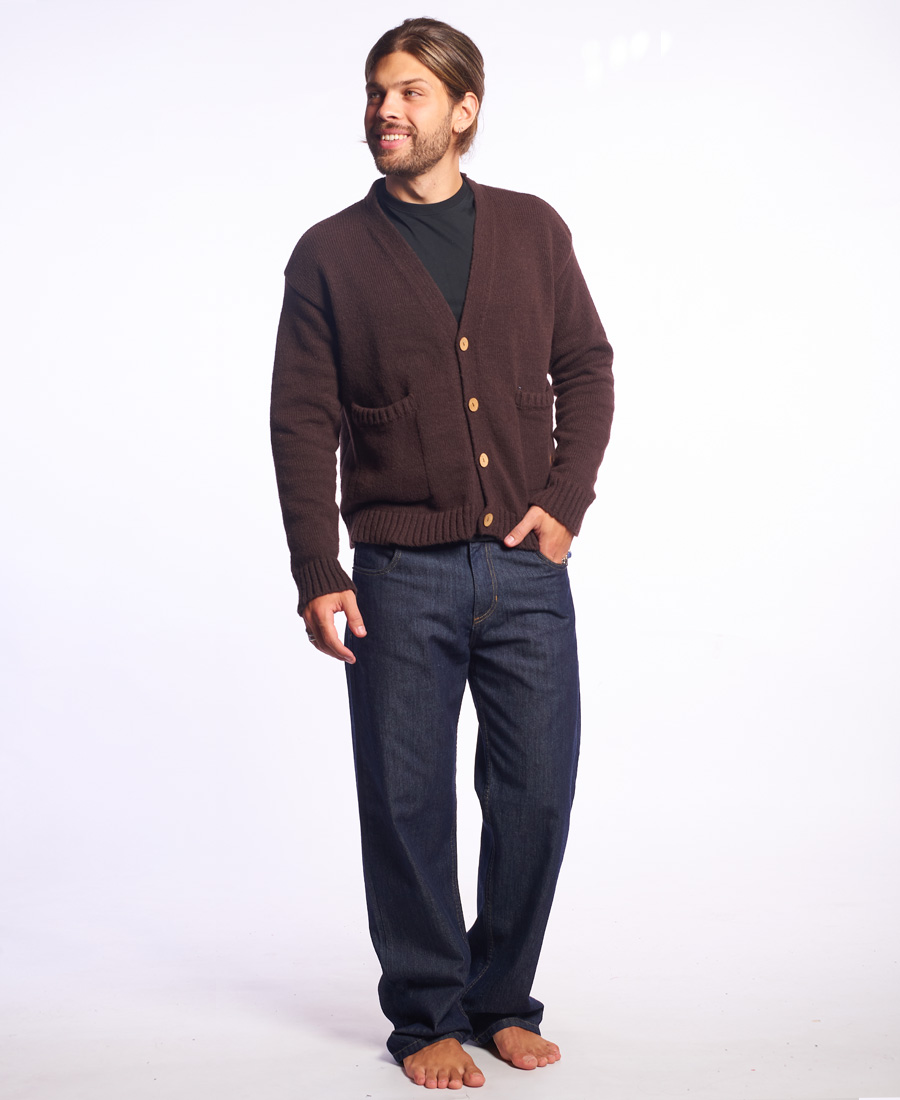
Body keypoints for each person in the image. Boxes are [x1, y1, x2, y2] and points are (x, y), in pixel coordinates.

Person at [270, 17, 614, 1090]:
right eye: (378, 91)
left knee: (536, 795)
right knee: (405, 801)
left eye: (411, 92)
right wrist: (318, 569)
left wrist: (564, 502)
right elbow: (302, 419)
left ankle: (501, 999)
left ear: (464, 110)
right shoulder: (330, 253)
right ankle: (426, 1011)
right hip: (396, 572)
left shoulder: (533, 229)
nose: (386, 110)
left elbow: (586, 367)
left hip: (525, 569)